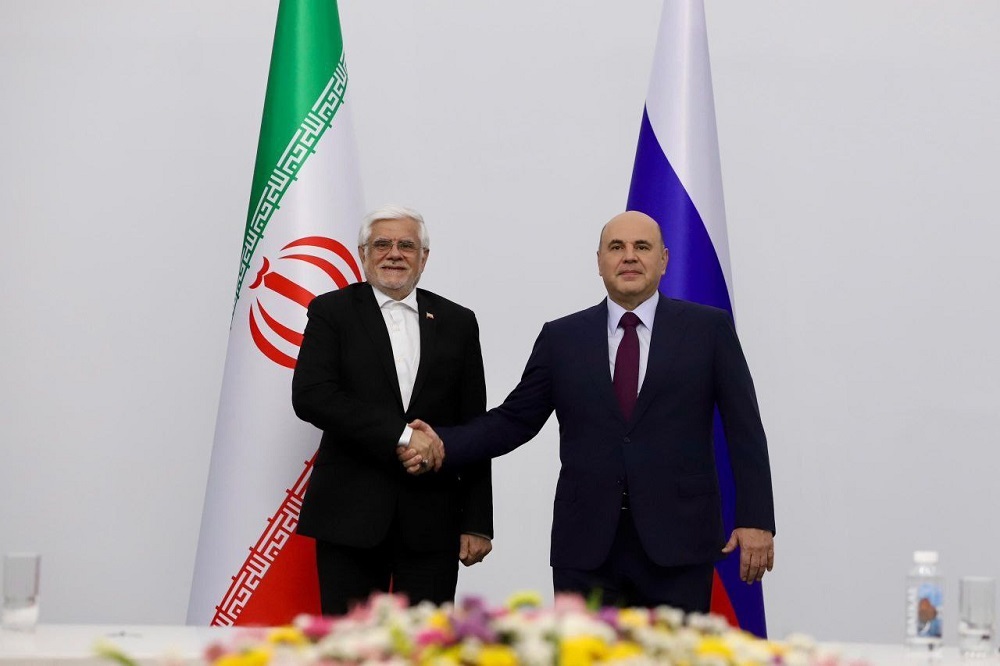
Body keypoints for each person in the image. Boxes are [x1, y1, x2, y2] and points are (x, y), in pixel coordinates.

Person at [401, 210, 774, 613]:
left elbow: (744, 430)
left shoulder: (708, 330)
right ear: (599, 261)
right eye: (616, 247)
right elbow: (514, 420)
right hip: (586, 548)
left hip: (680, 543)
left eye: (642, 247)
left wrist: (755, 518)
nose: (629, 256)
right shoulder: (562, 338)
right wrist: (441, 443)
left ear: (664, 260)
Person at [292, 205, 493, 615]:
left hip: (433, 520)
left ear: (424, 257)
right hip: (349, 516)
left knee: (427, 644)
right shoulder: (331, 311)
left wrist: (477, 521)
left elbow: (473, 424)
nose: (394, 254)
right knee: (350, 644)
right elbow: (312, 395)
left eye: (407, 245)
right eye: (382, 244)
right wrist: (402, 436)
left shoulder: (458, 321)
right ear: (363, 254)